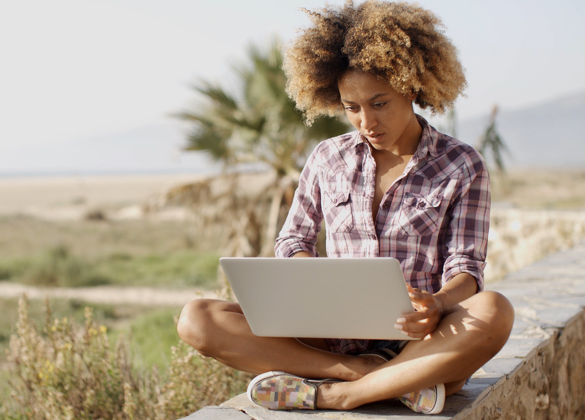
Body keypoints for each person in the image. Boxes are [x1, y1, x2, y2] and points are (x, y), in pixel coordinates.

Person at [177, 0, 514, 415]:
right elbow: (294, 238)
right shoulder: (327, 158)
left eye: (379, 102)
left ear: (410, 87)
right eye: (351, 108)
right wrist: (305, 273)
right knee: (197, 318)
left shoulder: (461, 164)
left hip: (421, 340)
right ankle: (363, 374)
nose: (366, 122)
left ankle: (337, 394)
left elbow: (466, 267)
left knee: (494, 311)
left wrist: (437, 305)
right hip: (330, 333)